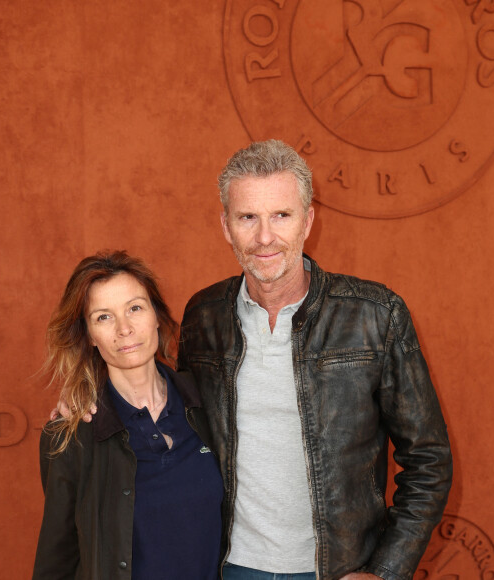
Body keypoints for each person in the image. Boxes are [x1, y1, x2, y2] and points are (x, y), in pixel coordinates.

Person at [177, 140, 453, 580]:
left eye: (281, 216)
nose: (264, 237)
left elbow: (429, 461)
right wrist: (90, 404)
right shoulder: (203, 316)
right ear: (226, 226)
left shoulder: (376, 315)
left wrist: (384, 572)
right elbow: (173, 416)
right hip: (229, 567)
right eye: (248, 217)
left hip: (338, 570)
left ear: (307, 221)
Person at [33, 251, 223, 580]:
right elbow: (58, 559)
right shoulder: (71, 438)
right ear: (89, 335)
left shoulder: (210, 403)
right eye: (103, 317)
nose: (124, 329)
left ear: (156, 315)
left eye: (135, 308)